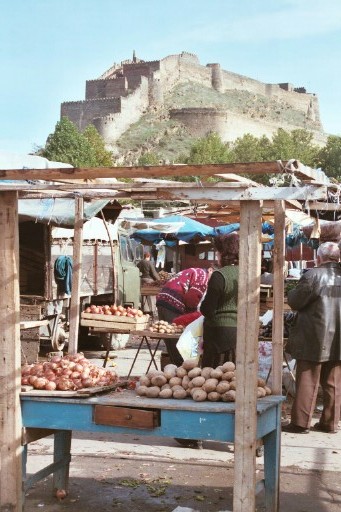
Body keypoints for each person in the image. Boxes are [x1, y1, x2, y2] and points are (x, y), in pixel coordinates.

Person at [282, 241, 341, 434]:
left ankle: (300, 423)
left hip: (314, 335)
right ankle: (330, 423)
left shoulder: (314, 275)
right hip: (338, 337)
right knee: (333, 382)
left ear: (320, 257)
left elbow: (296, 301)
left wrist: (291, 292)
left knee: (308, 379)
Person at [156, 267, 211, 366]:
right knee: (176, 338)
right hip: (173, 301)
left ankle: (175, 366)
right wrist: (192, 316)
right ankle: (180, 367)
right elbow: (191, 298)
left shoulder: (195, 271)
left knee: (169, 337)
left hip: (163, 300)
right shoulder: (203, 276)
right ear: (210, 270)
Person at [200, 233, 239, 368]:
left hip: (218, 334)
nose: (216, 256)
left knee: (214, 375)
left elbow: (208, 309)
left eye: (217, 252)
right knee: (233, 375)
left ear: (224, 253)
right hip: (241, 331)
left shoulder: (219, 275)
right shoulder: (248, 274)